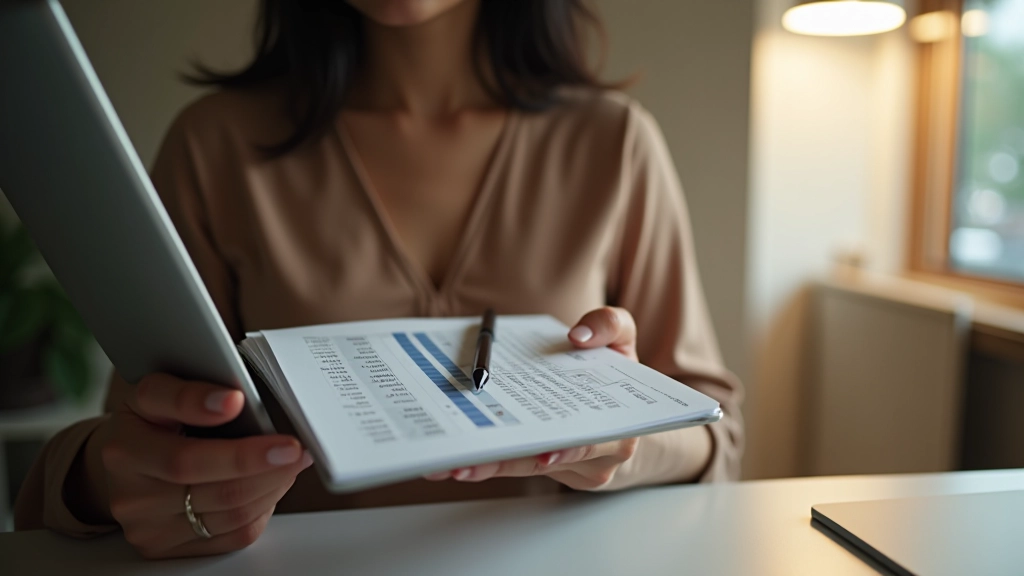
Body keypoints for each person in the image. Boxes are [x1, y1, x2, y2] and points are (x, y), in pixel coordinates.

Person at [15, 0, 743, 559]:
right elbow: (130, 441)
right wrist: (109, 483)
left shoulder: (614, 143)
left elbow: (720, 436)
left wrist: (623, 443)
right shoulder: (215, 148)